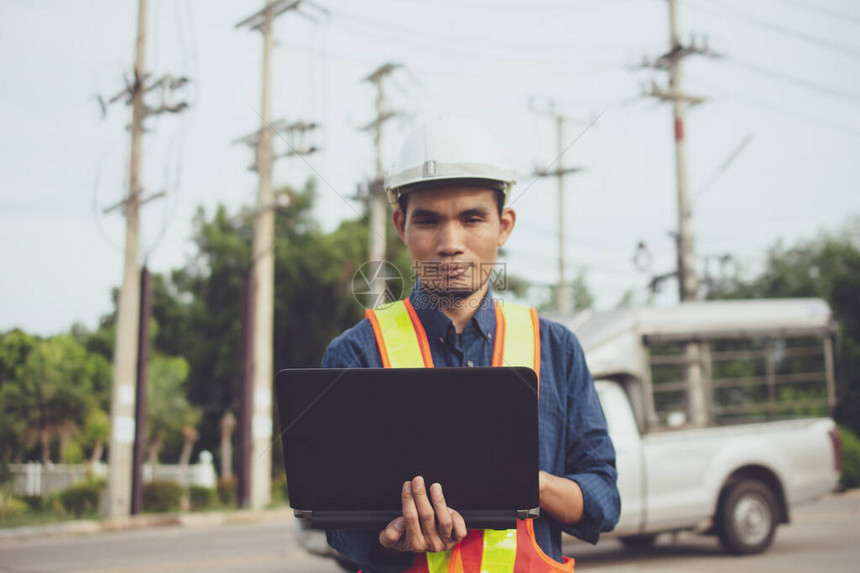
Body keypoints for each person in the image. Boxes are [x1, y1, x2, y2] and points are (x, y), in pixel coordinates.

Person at [322, 117, 620, 572]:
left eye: (472, 219)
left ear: (504, 225)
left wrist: (528, 483)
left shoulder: (556, 349)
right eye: (429, 221)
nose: (450, 243)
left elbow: (602, 498)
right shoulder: (355, 354)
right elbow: (339, 521)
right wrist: (389, 541)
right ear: (401, 224)